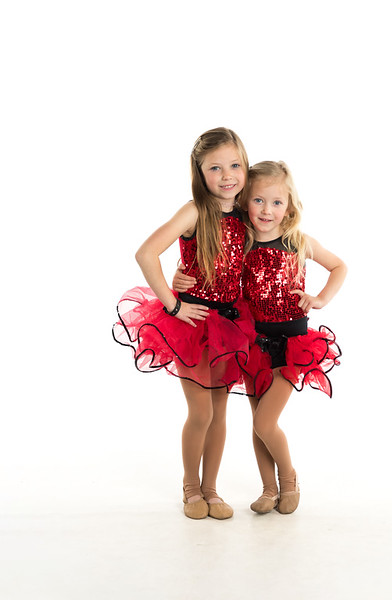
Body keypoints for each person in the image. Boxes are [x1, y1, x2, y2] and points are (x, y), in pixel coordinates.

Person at [174, 160, 347, 515]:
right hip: (253, 344)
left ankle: (289, 479)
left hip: (292, 345)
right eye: (258, 201)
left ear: (289, 207)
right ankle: (269, 490)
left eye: (276, 202)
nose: (267, 210)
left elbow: (339, 266)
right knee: (258, 423)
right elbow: (216, 271)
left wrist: (320, 298)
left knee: (265, 422)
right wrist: (180, 276)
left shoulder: (298, 242)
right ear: (245, 203)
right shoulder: (244, 241)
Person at [113, 127, 255, 520]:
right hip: (192, 325)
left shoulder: (248, 213)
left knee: (220, 413)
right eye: (215, 168)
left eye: (234, 165)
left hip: (231, 324)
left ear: (245, 166)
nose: (226, 175)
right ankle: (191, 487)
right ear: (199, 172)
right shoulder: (194, 211)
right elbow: (146, 253)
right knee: (201, 413)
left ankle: (211, 489)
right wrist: (173, 304)